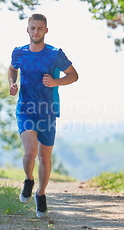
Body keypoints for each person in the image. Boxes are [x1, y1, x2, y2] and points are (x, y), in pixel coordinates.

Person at [8, 14, 78, 217]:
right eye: (32, 28)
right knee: (30, 152)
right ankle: (29, 180)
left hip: (48, 111)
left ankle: (41, 193)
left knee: (44, 157)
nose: (36, 32)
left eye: (40, 28)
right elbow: (12, 69)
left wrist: (56, 82)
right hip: (25, 109)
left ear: (46, 30)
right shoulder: (19, 52)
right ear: (27, 30)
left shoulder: (55, 54)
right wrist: (12, 84)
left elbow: (73, 75)